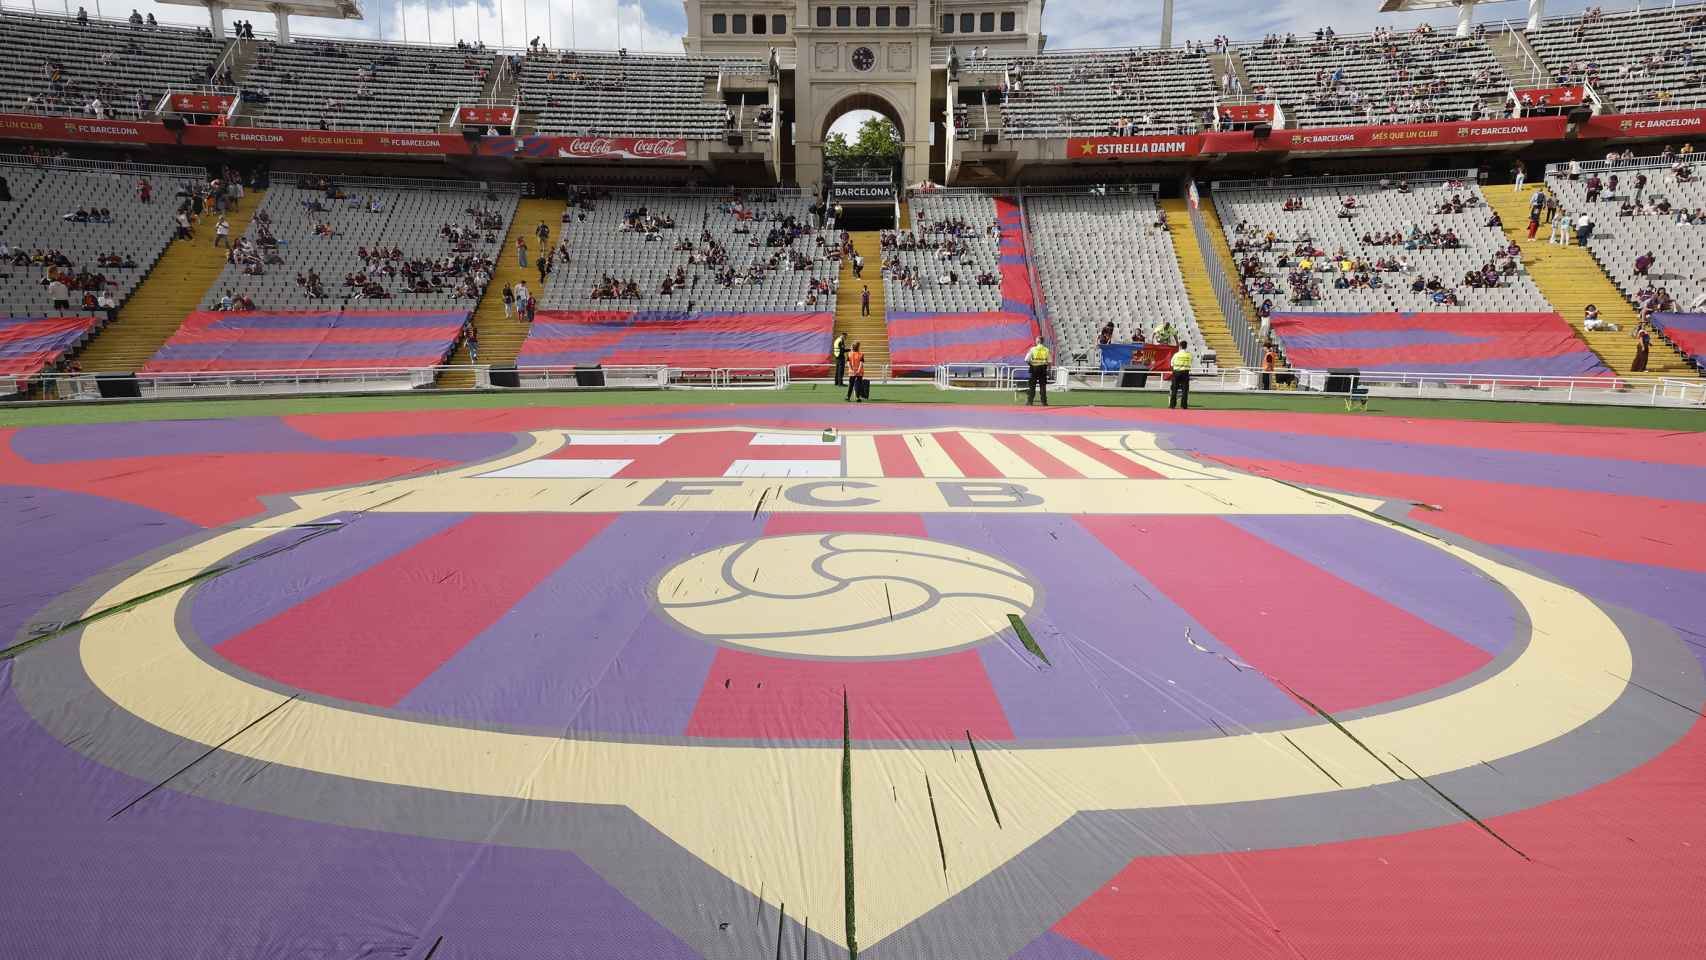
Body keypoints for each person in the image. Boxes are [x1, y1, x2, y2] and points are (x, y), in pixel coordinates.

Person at [1024, 337, 1051, 406]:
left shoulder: (1032, 349)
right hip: (1043, 369)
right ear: (1043, 341)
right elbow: (1049, 362)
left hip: (1034, 369)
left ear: (1037, 341)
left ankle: (1030, 401)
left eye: (1036, 340)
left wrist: (1031, 364)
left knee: (1032, 386)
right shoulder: (1046, 350)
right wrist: (1049, 370)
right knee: (1042, 386)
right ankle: (1044, 402)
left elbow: (1026, 359)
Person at [1168, 344, 1194, 410]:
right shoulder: (1189, 355)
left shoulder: (1176, 355)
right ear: (1186, 346)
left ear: (1180, 346)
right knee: (1185, 390)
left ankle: (1172, 405)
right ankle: (1184, 406)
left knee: (1174, 389)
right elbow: (1191, 363)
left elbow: (1171, 364)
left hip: (1176, 372)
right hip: (1185, 373)